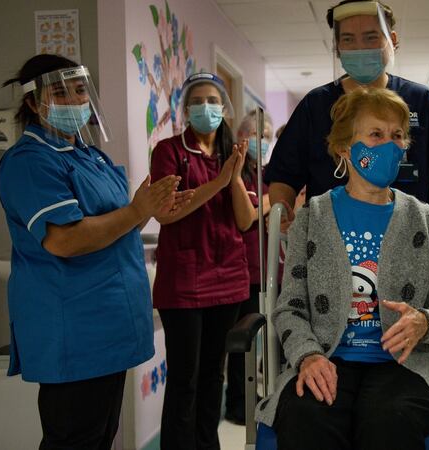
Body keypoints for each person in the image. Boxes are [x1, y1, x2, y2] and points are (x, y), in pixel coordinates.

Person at [255, 88, 429, 450]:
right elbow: (291, 307)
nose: (390, 146)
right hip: (329, 356)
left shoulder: (425, 220)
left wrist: (424, 321)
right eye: (376, 135)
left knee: (387, 420)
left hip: (409, 363)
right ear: (345, 147)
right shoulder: (313, 218)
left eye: (397, 136)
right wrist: (308, 355)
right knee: (305, 417)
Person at [0, 54, 193, 450]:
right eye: (59, 92)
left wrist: (146, 211)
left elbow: (116, 229)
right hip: (73, 332)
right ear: (33, 103)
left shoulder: (90, 156)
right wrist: (137, 210)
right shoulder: (29, 162)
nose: (73, 100)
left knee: (100, 436)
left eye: (80, 90)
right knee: (74, 439)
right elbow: (64, 239)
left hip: (108, 327)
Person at [265, 0, 429, 231]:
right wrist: (282, 209)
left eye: (371, 37)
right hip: (330, 240)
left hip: (409, 239)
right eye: (348, 39)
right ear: (337, 47)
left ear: (392, 40)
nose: (360, 48)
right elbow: (285, 175)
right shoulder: (315, 105)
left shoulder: (421, 100)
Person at [149, 72, 256, 449]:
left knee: (214, 375)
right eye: (198, 101)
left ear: (224, 109)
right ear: (186, 109)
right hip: (183, 282)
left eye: (213, 101)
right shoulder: (169, 152)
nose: (206, 108)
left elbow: (245, 221)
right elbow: (166, 212)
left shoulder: (233, 154)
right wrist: (219, 181)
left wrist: (235, 176)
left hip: (227, 279)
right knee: (185, 379)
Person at [224, 109, 274, 424]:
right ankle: (237, 405)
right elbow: (247, 217)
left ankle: (253, 396)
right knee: (241, 343)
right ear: (241, 137)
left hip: (266, 269)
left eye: (266, 137)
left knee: (261, 342)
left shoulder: (266, 175)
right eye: (256, 136)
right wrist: (272, 203)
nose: (261, 142)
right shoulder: (236, 174)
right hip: (241, 270)